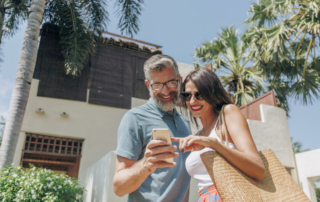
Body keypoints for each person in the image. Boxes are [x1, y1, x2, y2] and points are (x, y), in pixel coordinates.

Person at [172, 68, 266, 202]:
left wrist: (213, 144)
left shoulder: (228, 113)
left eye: (199, 95)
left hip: (232, 196)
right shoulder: (199, 135)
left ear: (211, 93)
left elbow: (258, 169)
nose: (192, 101)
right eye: (188, 95)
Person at [113, 54, 192, 202]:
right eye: (157, 85)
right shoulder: (134, 118)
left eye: (171, 83)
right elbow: (118, 188)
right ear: (148, 85)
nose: (165, 91)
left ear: (179, 80)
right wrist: (146, 165)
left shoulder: (185, 123)